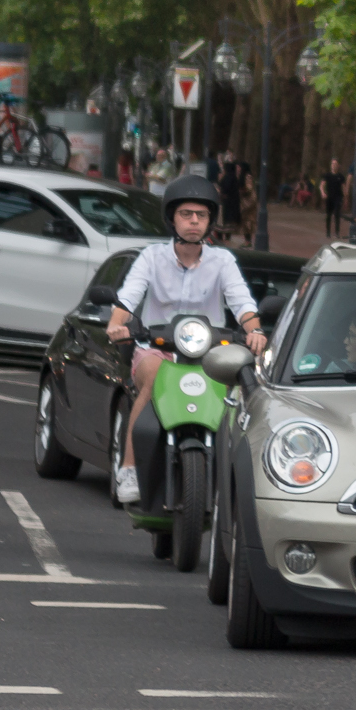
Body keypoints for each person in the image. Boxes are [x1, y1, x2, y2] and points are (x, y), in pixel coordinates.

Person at [104, 176, 268, 504]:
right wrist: (116, 325)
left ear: (210, 222)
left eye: (202, 215)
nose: (194, 221)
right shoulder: (151, 257)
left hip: (211, 355)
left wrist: (256, 330)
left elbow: (242, 303)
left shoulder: (223, 261)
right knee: (152, 375)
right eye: (186, 214)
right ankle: (130, 469)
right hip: (157, 350)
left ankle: (247, 479)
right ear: (172, 219)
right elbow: (128, 297)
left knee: (245, 393)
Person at [320, 158, 347, 240]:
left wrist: (345, 198)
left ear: (338, 166)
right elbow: (321, 185)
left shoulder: (341, 176)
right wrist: (323, 193)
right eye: (332, 164)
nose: (334, 165)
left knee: (337, 214)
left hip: (338, 197)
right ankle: (328, 231)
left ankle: (337, 232)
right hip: (329, 197)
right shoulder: (327, 175)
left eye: (335, 164)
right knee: (328, 215)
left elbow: (343, 188)